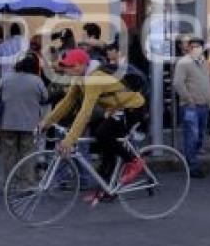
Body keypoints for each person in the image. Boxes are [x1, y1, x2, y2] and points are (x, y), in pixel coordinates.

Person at [40, 49, 146, 192]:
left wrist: (69, 140)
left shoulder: (93, 79)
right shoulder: (79, 78)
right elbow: (66, 103)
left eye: (70, 66)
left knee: (103, 133)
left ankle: (134, 162)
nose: (67, 70)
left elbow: (85, 112)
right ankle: (107, 187)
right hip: (116, 109)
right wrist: (46, 122)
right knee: (101, 139)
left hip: (133, 108)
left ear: (80, 65)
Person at [0, 54, 48, 181]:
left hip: (7, 123)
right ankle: (27, 184)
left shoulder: (6, 78)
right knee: (28, 155)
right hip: (29, 124)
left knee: (9, 155)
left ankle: (10, 183)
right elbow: (45, 98)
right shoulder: (37, 80)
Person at [173, 37, 210, 178]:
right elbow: (178, 83)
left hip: (204, 105)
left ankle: (192, 160)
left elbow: (207, 80)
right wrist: (188, 99)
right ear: (189, 48)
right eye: (193, 46)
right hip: (191, 106)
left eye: (198, 46)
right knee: (192, 136)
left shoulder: (205, 63)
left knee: (200, 136)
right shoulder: (184, 63)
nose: (195, 49)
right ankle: (193, 166)